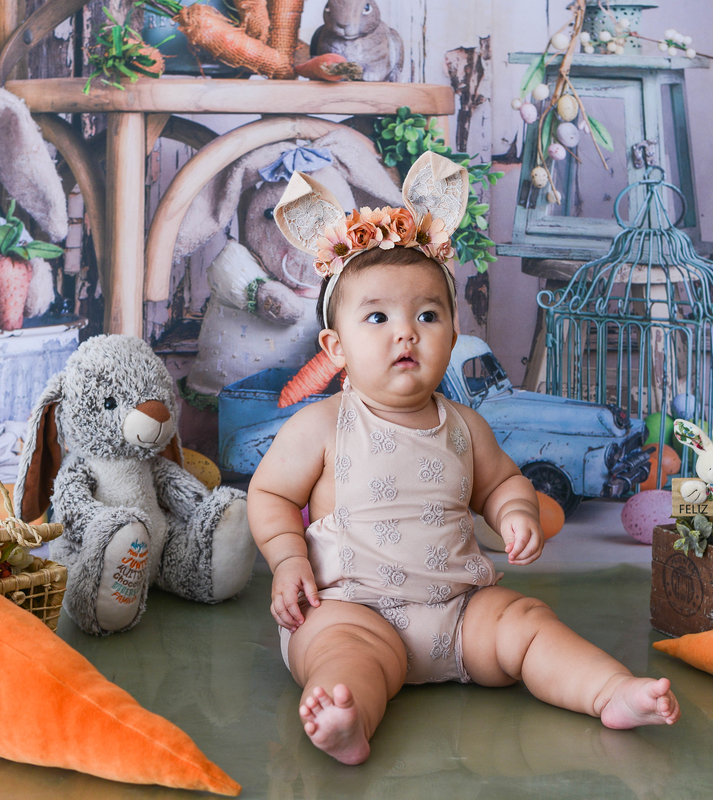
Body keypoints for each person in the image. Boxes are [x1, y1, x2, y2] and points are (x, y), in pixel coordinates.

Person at [248, 153, 679, 765]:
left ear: (452, 334)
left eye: (428, 315)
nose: (407, 332)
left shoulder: (466, 426)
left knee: (526, 620)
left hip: (458, 614)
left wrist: (515, 513)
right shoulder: (322, 424)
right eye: (378, 317)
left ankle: (610, 690)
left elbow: (503, 483)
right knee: (338, 654)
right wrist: (288, 558)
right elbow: (269, 495)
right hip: (353, 608)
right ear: (335, 346)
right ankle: (348, 716)